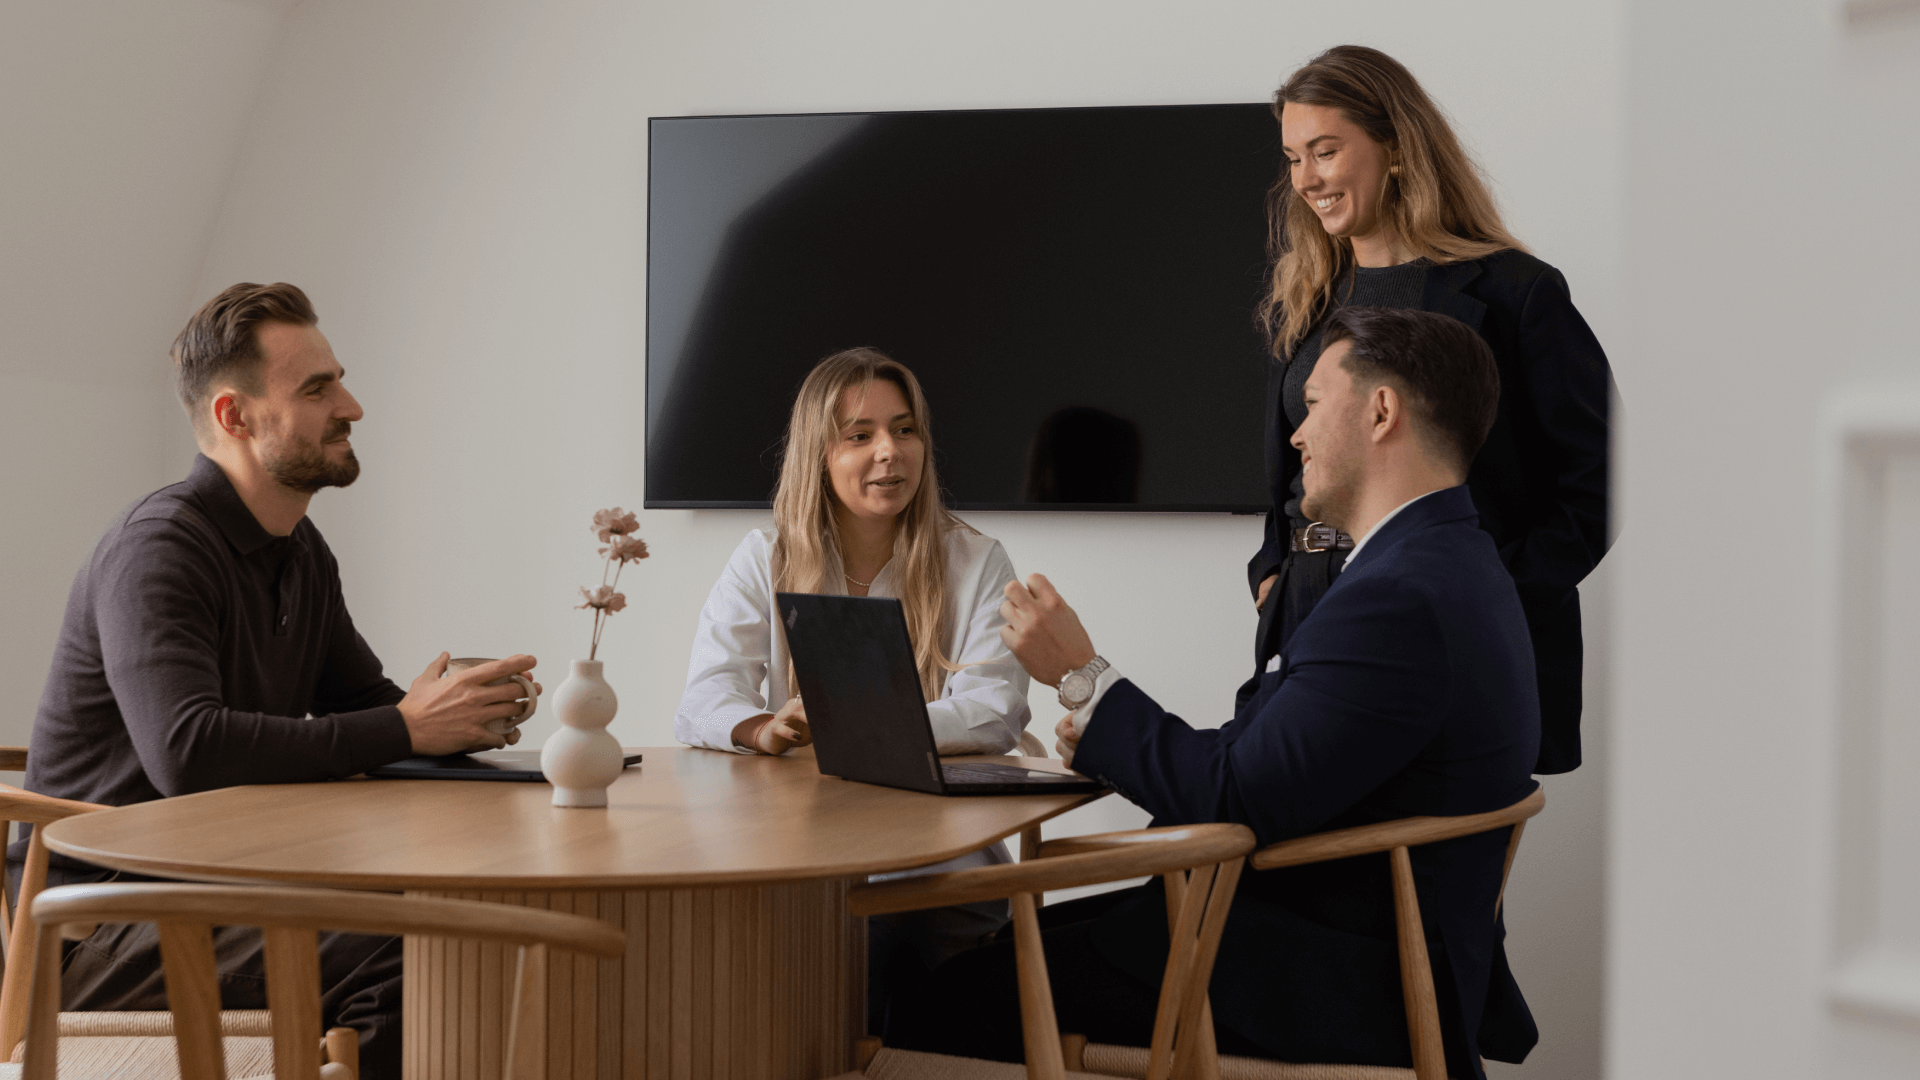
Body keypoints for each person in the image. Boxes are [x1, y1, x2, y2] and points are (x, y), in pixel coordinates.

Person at [886, 307, 1540, 1078]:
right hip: (1342, 939)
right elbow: (1274, 759)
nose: (1295, 435)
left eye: (1316, 405)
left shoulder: (1398, 596)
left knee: (937, 996)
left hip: (1323, 976)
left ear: (1382, 411)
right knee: (997, 946)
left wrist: (1081, 677)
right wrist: (1105, 729)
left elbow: (1235, 795)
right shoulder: (1453, 564)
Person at [15, 282, 538, 1080]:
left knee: (466, 918)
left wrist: (469, 726)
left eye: (340, 380)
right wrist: (405, 727)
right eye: (318, 389)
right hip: (99, 928)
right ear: (234, 416)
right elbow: (186, 751)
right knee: (429, 939)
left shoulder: (300, 552)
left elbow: (364, 706)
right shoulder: (157, 549)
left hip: (213, 896)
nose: (352, 406)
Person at [1249, 45, 1612, 774]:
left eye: (1325, 150)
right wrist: (1270, 575)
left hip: (1457, 629)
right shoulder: (1311, 297)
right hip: (1313, 619)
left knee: (1444, 872)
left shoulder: (1516, 293)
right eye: (1293, 157)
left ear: (1396, 148)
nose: (1307, 179)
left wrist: (1485, 592)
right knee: (1308, 859)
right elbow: (1288, 471)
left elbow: (1604, 479)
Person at [673, 346, 1032, 1028]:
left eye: (904, 429)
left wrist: (854, 724)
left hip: (942, 858)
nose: (889, 453)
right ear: (819, 453)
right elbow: (703, 697)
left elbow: (995, 711)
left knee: (888, 950)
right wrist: (761, 727)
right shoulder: (763, 556)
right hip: (800, 851)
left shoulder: (975, 558)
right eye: (859, 436)